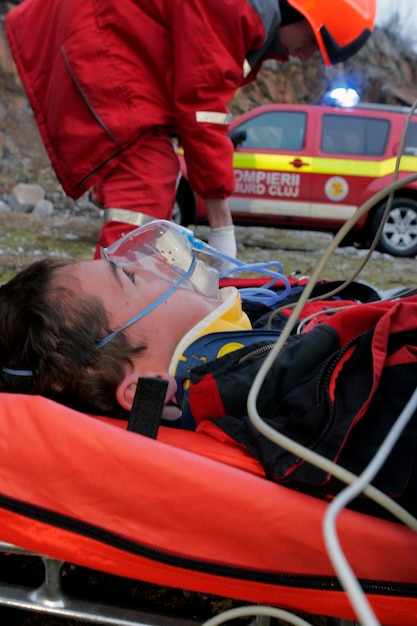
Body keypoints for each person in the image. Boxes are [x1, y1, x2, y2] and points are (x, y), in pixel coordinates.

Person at [0, 219, 416, 520]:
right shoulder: (290, 400)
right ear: (143, 386)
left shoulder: (259, 322)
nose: (151, 259)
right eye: (129, 274)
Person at [4, 0, 376, 263]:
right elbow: (203, 112)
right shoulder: (230, 8)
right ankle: (104, 332)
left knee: (150, 181)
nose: (307, 55)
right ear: (298, 9)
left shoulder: (243, 15)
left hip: (98, 38)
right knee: (145, 179)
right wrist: (222, 228)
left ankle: (115, 310)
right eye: (313, 42)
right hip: (94, 39)